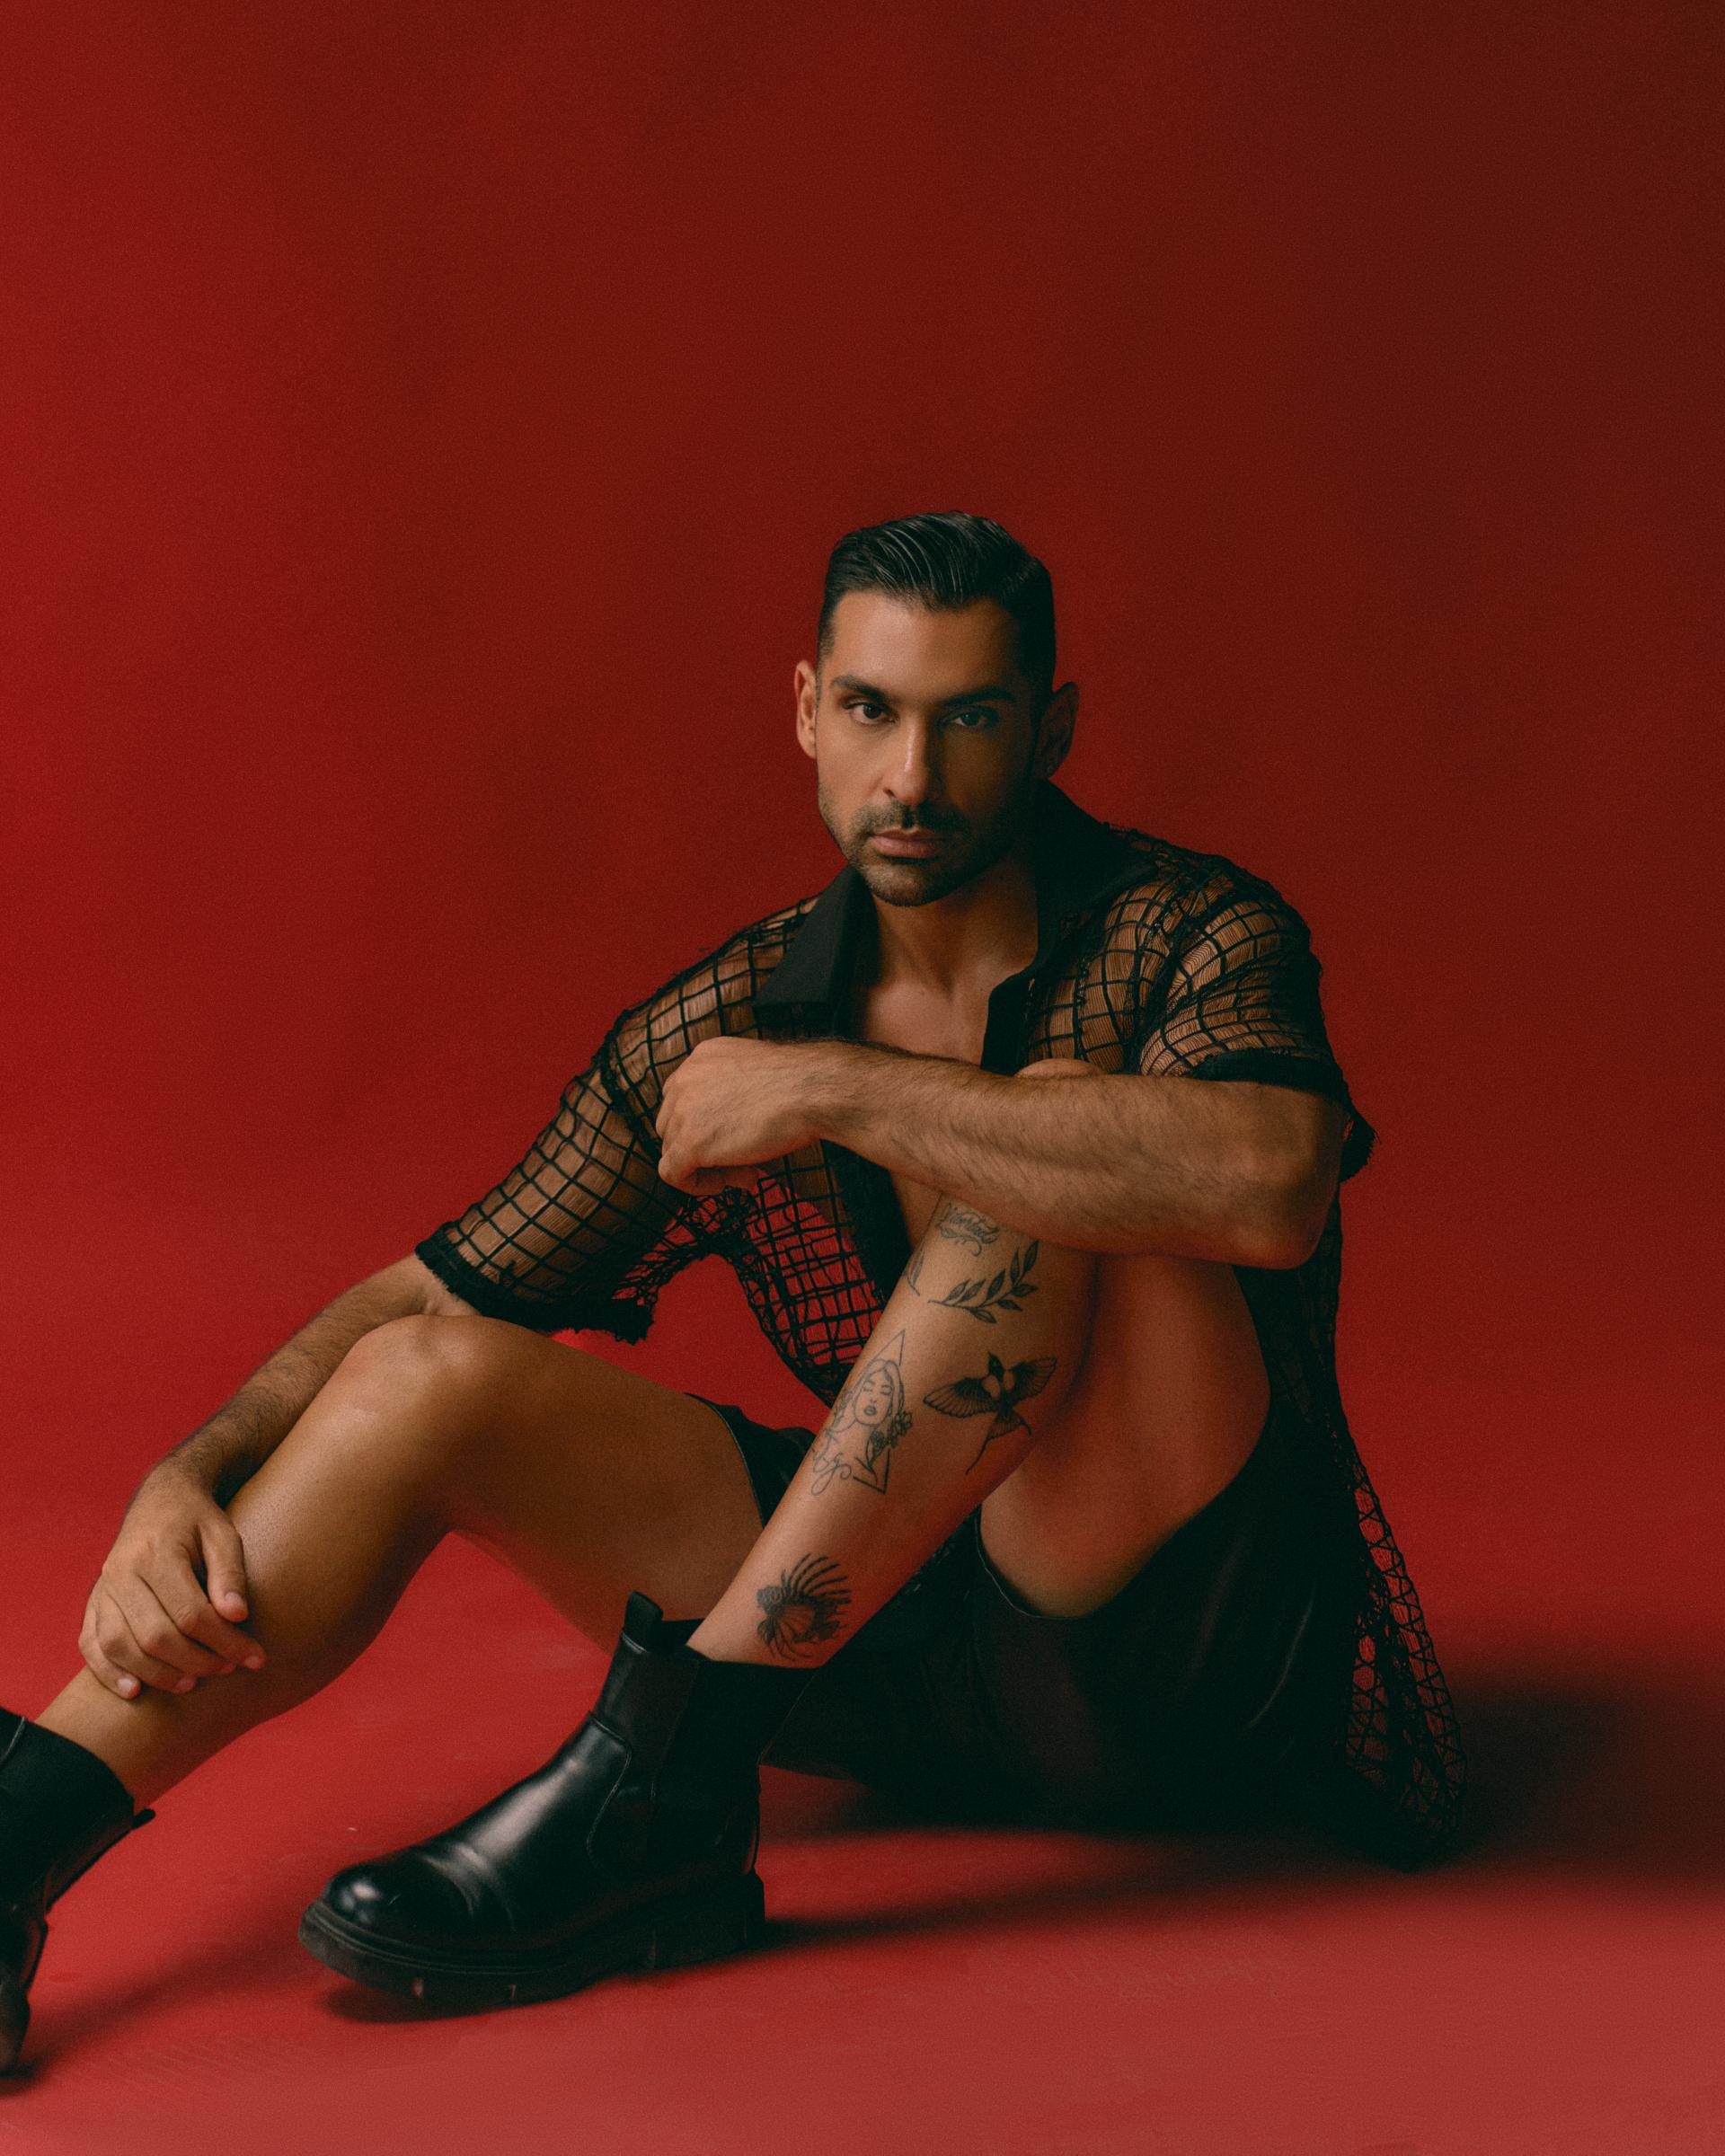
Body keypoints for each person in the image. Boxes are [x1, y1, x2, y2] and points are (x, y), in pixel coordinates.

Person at [0, 511, 1465, 2063]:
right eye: (872, 711)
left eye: (970, 719)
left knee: (1040, 1161)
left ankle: (660, 1778)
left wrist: (838, 1088)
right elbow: (436, 1289)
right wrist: (193, 1468)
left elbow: (1271, 1183)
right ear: (808, 711)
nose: (913, 778)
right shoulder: (737, 1013)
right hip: (888, 1646)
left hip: (1172, 1667)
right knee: (424, 1378)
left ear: (1050, 733)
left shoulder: (1187, 930)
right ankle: (17, 1837)